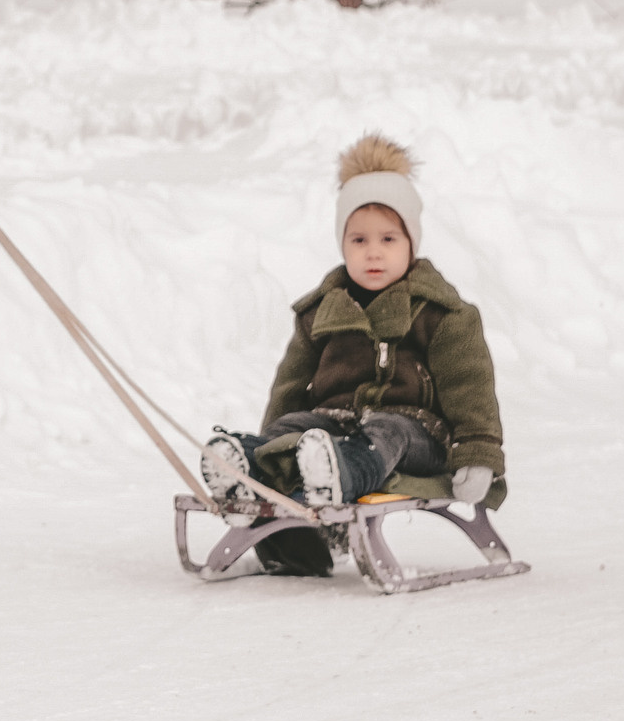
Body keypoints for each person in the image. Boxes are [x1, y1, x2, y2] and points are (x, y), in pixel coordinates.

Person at [202, 134, 506, 572]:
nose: (373, 252)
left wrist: (478, 455)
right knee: (293, 425)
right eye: (359, 240)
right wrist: (279, 437)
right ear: (342, 244)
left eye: (388, 239)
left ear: (411, 244)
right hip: (333, 428)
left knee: (388, 428)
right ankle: (248, 471)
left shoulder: (441, 313)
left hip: (418, 434)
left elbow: (470, 388)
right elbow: (289, 385)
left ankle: (341, 476)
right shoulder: (320, 312)